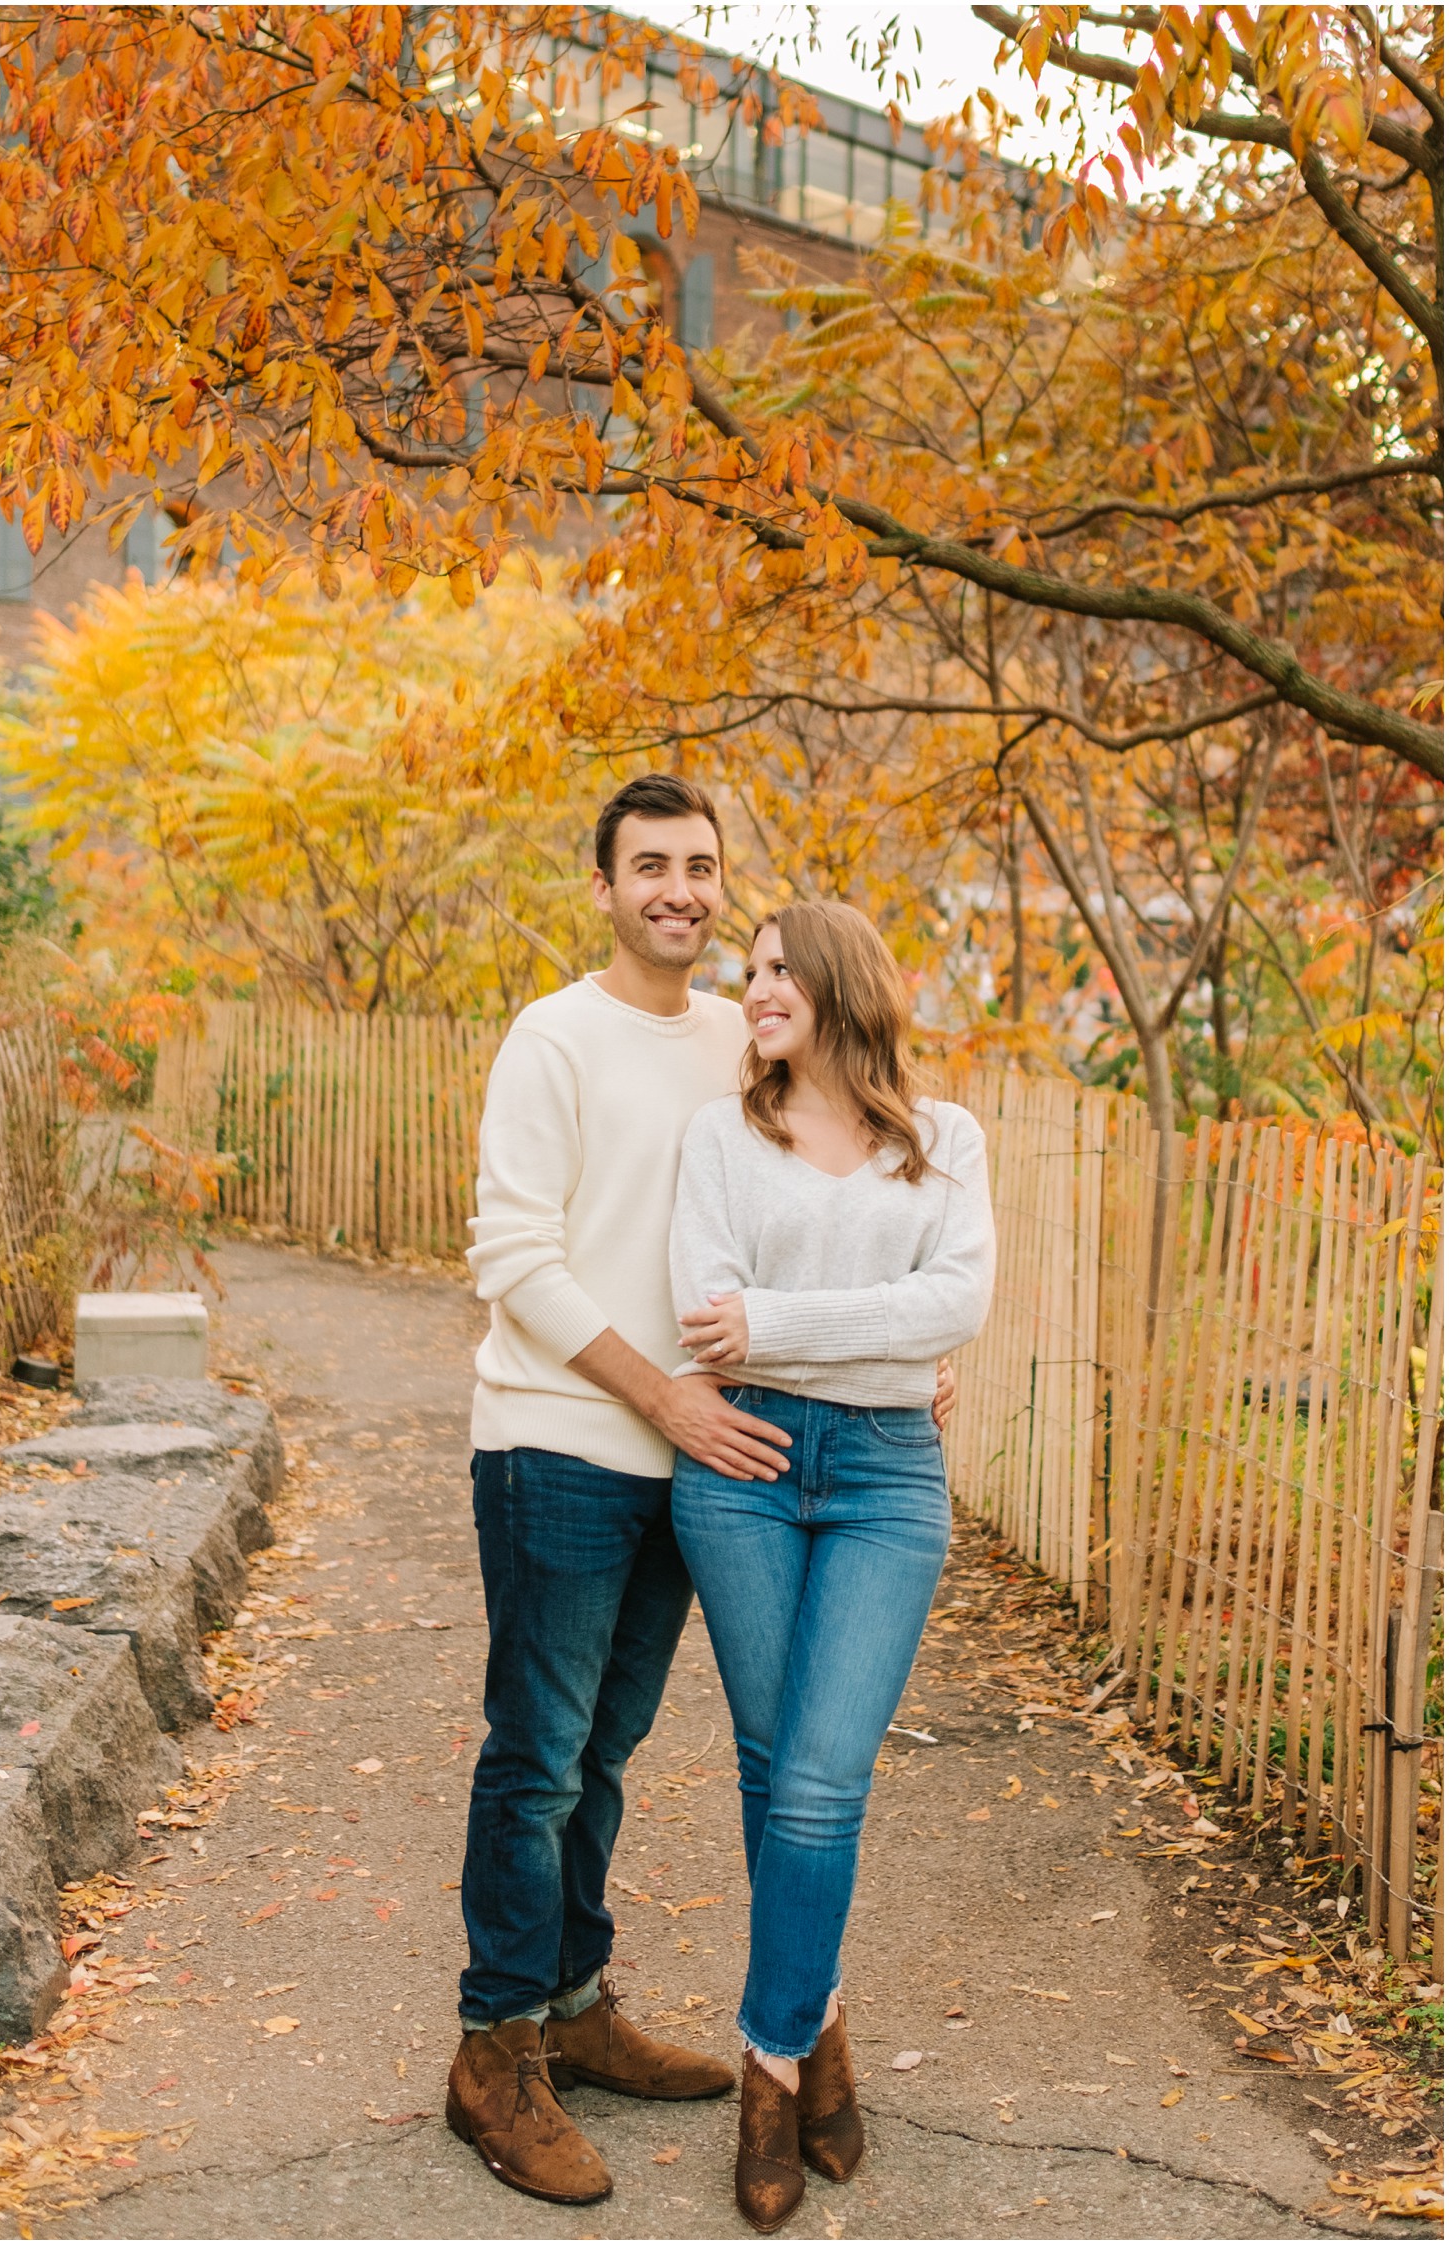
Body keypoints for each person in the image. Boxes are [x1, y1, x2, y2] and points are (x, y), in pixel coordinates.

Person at [446, 779, 955, 2208]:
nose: (678, 887)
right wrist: (661, 1389)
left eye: (700, 866)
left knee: (606, 1751)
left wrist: (899, 1357)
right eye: (650, 864)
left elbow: (831, 1207)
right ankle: (496, 2046)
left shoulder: (750, 1030)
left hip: (704, 1453)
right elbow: (515, 1256)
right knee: (537, 1751)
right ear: (604, 884)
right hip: (562, 1437)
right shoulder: (555, 1037)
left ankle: (579, 1995)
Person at [669, 898, 996, 2233]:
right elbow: (710, 1324)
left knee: (817, 1776)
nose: (750, 990)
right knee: (771, 1764)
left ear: (840, 981)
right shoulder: (720, 1137)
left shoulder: (946, 1141)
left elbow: (957, 1301)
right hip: (740, 1468)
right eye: (745, 973)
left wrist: (785, 1323)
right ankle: (827, 2018)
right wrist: (869, 1344)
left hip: (884, 1484)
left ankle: (770, 2058)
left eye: (773, 970)